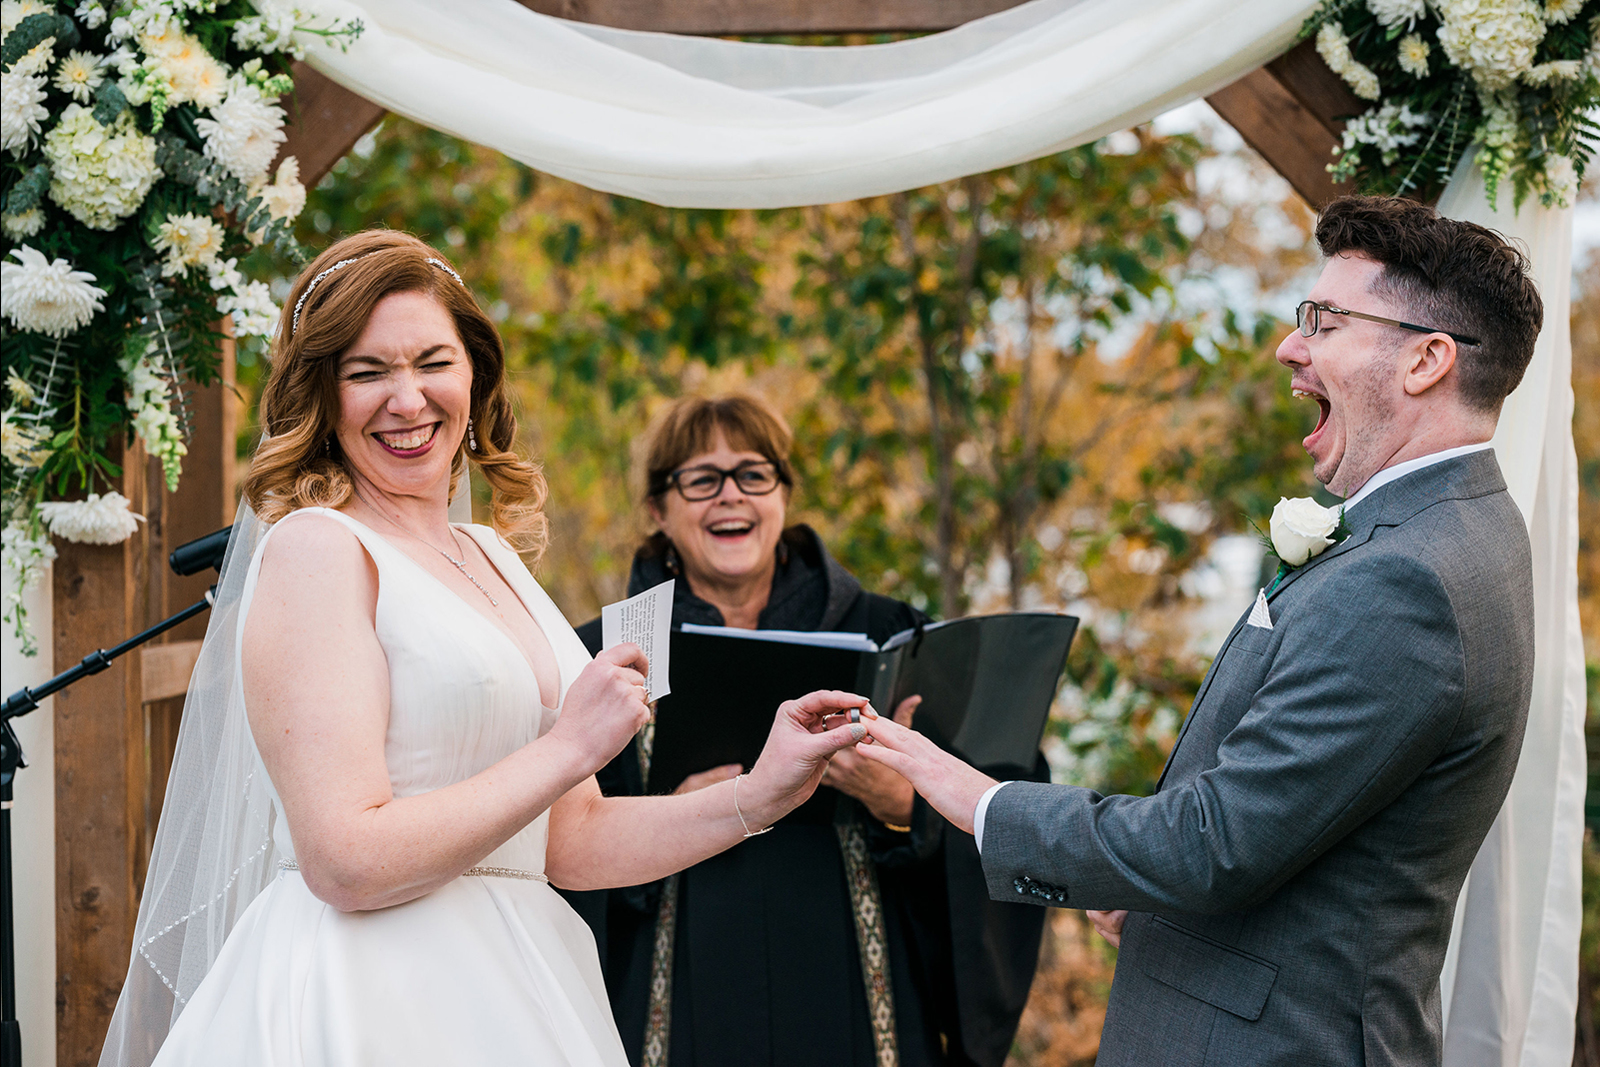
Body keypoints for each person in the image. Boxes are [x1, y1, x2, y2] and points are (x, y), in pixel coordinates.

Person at [98, 232, 871, 1067]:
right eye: (367, 372)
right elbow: (344, 860)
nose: (407, 400)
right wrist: (570, 747)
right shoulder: (318, 550)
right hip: (371, 996)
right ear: (323, 393)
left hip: (521, 983)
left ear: (475, 374)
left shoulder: (491, 555)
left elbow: (570, 840)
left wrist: (761, 792)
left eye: (434, 362)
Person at [851, 195, 1542, 1066]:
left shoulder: (1408, 577)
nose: (1289, 346)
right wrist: (1150, 894)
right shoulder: (1465, 525)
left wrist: (967, 792)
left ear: (1426, 360)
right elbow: (1296, 818)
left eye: (1324, 321)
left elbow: (1211, 846)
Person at [564, 395, 1047, 1067]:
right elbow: (551, 846)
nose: (730, 495)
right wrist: (670, 816)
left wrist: (904, 802)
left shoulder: (887, 634)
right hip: (679, 1005)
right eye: (701, 479)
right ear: (657, 509)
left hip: (856, 997)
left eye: (753, 474)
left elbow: (1003, 794)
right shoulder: (601, 655)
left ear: (784, 493)